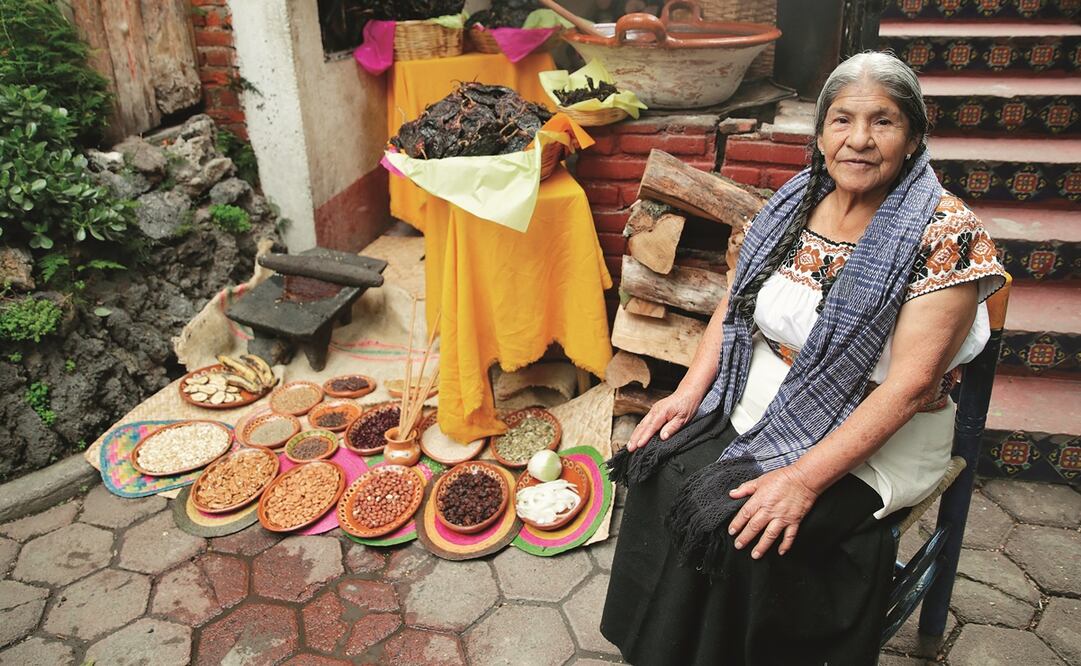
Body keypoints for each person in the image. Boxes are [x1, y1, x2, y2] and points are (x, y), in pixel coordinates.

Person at [600, 51, 1006, 666]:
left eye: (884, 121)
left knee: (743, 533)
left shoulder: (944, 233)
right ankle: (662, 647)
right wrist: (687, 392)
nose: (860, 140)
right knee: (658, 467)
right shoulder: (795, 201)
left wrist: (803, 478)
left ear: (914, 136)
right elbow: (733, 309)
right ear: (819, 135)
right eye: (842, 120)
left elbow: (909, 385)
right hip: (765, 398)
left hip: (879, 429)